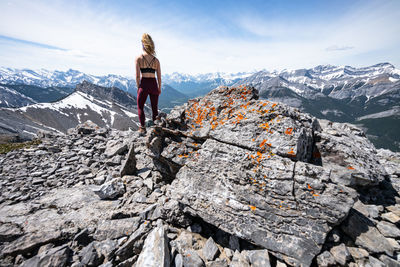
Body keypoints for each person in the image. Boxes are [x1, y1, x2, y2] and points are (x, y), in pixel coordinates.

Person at [135, 33, 161, 135]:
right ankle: (156, 129)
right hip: (154, 83)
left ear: (143, 44)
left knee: (140, 106)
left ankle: (142, 128)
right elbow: (159, 76)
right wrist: (159, 87)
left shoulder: (139, 58)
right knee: (155, 108)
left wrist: (139, 87)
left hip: (144, 83)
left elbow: (137, 76)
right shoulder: (156, 60)